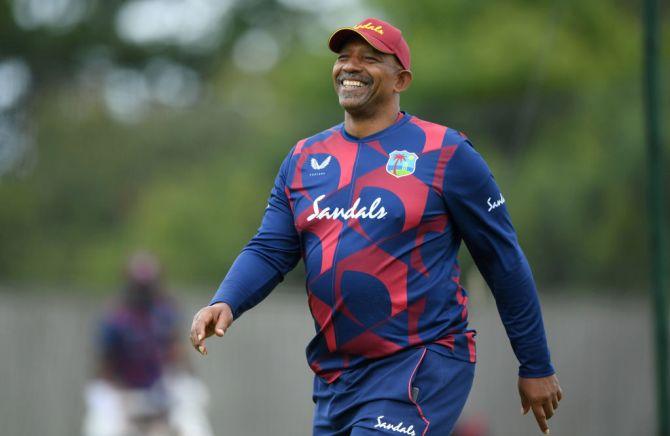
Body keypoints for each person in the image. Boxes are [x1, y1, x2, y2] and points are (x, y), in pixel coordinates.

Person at [190, 18, 563, 435]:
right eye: (343, 57)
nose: (350, 66)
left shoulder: (446, 152)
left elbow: (503, 260)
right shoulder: (303, 157)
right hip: (337, 376)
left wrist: (535, 364)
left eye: (369, 58)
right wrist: (226, 301)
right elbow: (270, 249)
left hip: (420, 362)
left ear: (401, 79)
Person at [84, 252, 214, 436]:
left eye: (147, 285)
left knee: (193, 407)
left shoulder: (166, 312)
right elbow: (105, 365)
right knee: (102, 427)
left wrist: (182, 384)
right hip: (121, 390)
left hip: (160, 388)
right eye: (138, 285)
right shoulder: (116, 317)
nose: (142, 292)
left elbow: (177, 353)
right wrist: (125, 399)